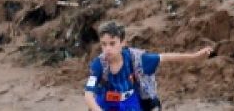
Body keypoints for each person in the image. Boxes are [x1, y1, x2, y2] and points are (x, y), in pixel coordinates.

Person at [84, 21, 213, 111]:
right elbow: (88, 94)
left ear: (123, 43)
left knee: (153, 105)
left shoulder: (135, 58)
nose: (107, 49)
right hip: (106, 103)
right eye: (104, 44)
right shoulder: (98, 65)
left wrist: (195, 57)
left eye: (112, 44)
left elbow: (165, 57)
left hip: (129, 102)